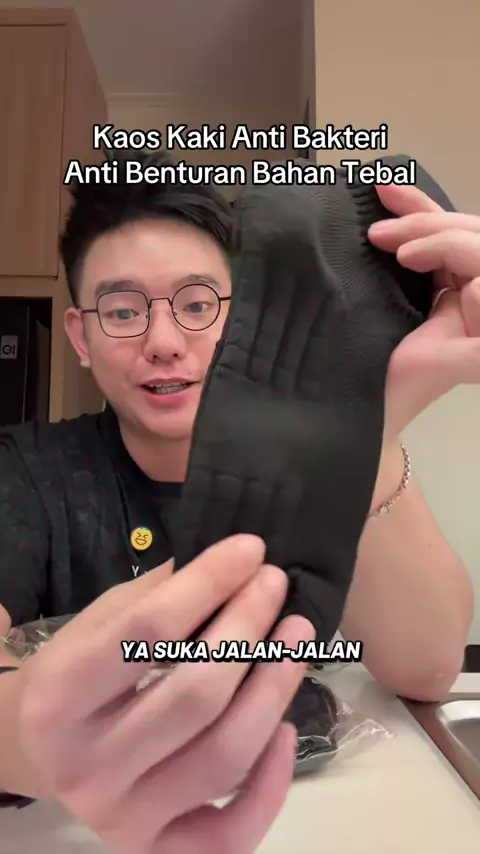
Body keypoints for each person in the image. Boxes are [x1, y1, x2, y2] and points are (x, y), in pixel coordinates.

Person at [0, 148, 477, 853]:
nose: (164, 343)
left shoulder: (330, 448)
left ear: (246, 314)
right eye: (123, 310)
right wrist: (30, 740)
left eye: (197, 304)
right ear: (81, 335)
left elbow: (429, 667)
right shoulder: (26, 471)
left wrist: (367, 428)